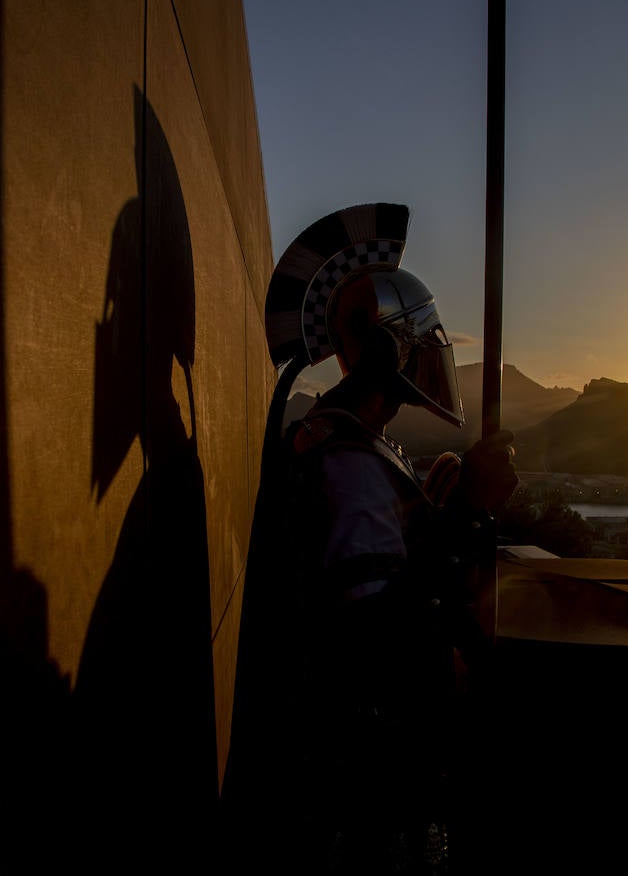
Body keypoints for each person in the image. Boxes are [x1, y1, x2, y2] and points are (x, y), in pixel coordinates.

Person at [228, 203, 516, 874]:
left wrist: (437, 510)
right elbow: (375, 638)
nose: (439, 345)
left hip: (361, 764)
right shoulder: (349, 462)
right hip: (370, 780)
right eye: (427, 333)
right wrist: (467, 510)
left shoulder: (346, 443)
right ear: (392, 346)